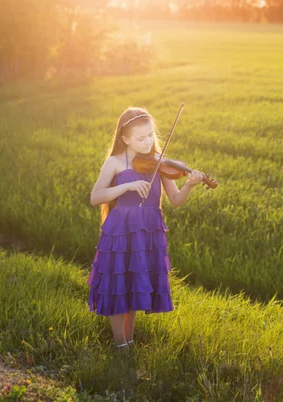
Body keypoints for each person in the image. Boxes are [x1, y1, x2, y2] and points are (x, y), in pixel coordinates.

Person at [87, 106, 205, 349]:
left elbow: (176, 201)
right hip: (121, 229)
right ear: (125, 138)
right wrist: (125, 188)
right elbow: (95, 197)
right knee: (118, 282)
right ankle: (120, 342)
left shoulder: (158, 164)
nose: (148, 141)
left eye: (150, 135)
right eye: (140, 138)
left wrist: (190, 186)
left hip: (148, 231)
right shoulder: (115, 162)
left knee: (136, 281)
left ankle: (129, 339)